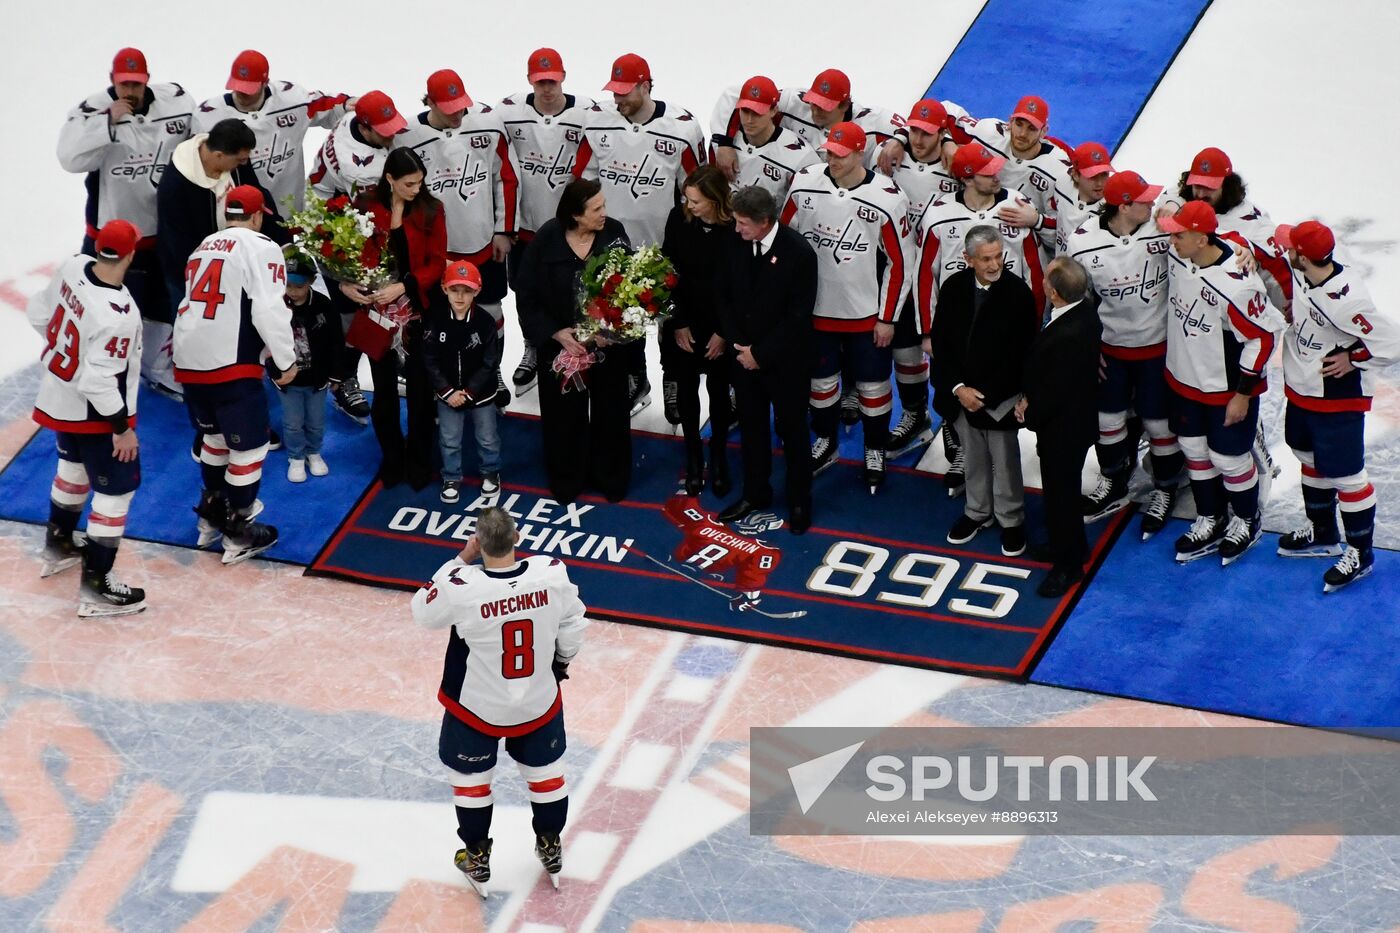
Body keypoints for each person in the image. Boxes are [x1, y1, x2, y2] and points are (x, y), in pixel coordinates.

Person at [410, 506, 587, 895]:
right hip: (537, 701)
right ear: (517, 539)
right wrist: (560, 664)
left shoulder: (462, 584)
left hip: (477, 707)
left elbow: (422, 613)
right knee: (546, 776)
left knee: (472, 782)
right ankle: (550, 843)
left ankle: (476, 855)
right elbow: (574, 624)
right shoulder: (551, 573)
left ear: (479, 542)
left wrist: (461, 557)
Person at [574, 52, 707, 416]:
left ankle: (673, 380)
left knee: (669, 321)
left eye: (626, 93)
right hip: (613, 246)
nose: (618, 100)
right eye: (614, 92)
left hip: (664, 246)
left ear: (646, 85)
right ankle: (637, 377)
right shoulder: (597, 121)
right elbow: (582, 179)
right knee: (620, 319)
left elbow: (696, 188)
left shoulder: (682, 126)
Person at [26, 220, 148, 617]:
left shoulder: (73, 265)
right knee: (116, 494)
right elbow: (98, 382)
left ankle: (58, 544)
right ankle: (97, 586)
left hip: (59, 397)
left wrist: (66, 365)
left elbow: (38, 312)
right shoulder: (119, 313)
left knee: (72, 470)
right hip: (96, 414)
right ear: (131, 254)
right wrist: (122, 429)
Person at [781, 123, 911, 493]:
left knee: (873, 386)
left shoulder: (886, 197)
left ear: (859, 154)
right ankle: (825, 441)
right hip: (814, 312)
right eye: (828, 152)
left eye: (839, 154)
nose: (830, 159)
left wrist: (888, 318)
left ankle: (874, 448)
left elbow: (902, 263)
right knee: (820, 384)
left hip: (865, 316)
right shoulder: (804, 183)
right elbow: (784, 238)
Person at [58, 48, 192, 398]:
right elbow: (69, 159)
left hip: (161, 231)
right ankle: (96, 372)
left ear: (147, 79)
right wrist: (107, 123)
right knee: (104, 308)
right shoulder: (91, 110)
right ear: (111, 81)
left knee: (163, 304)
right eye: (123, 84)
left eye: (136, 83)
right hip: (113, 235)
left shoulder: (176, 101)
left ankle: (158, 368)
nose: (130, 91)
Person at [1274, 220, 1399, 591]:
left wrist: (1353, 356)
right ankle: (1323, 531)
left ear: (1302, 255)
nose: (1286, 250)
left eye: (1291, 247)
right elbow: (1272, 247)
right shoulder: (1307, 268)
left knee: (1347, 476)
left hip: (1335, 398)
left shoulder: (1347, 301)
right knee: (1306, 453)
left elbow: (1392, 342)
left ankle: (1360, 553)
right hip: (1301, 386)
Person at [173, 186, 296, 564]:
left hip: (188, 357)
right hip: (230, 360)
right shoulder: (261, 246)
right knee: (251, 447)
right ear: (258, 216)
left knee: (214, 437)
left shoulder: (204, 245)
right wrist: (285, 359)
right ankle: (239, 528)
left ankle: (211, 513)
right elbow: (268, 308)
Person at [914, 142, 1044, 497]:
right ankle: (960, 453)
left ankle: (999, 481)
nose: (997, 175)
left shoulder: (1016, 206)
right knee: (952, 391)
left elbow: (1034, 270)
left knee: (1000, 390)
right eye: (988, 172)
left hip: (1006, 326)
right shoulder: (939, 213)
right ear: (968, 177)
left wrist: (1034, 329)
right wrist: (927, 331)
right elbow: (925, 274)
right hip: (956, 325)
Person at [1160, 201, 1285, 565]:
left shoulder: (1238, 284)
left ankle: (1247, 519)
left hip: (1224, 389)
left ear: (1201, 238)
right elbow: (1228, 236)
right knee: (1195, 452)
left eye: (1179, 234)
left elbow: (1262, 338)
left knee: (1228, 460)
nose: (1172, 239)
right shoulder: (1183, 254)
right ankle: (1210, 516)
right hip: (1184, 381)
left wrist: (1243, 395)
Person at [1066, 170, 1181, 537]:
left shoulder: (1163, 229)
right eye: (1143, 199)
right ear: (1124, 205)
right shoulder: (1083, 242)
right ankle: (1114, 482)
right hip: (1112, 350)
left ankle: (1166, 489)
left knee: (1161, 426)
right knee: (1107, 422)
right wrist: (1086, 349)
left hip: (1158, 350)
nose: (1151, 202)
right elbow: (1077, 303)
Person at [399, 69, 522, 410]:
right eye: (448, 106)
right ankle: (438, 379)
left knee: (491, 308)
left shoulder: (488, 123)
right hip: (435, 251)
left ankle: (491, 370)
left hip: (483, 242)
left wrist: (502, 229)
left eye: (461, 104)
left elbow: (506, 178)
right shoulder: (407, 134)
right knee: (436, 317)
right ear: (430, 102)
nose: (457, 112)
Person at [516, 178, 633, 502]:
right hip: (561, 348)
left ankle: (611, 477)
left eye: (604, 206)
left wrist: (612, 328)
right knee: (562, 416)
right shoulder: (546, 239)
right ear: (575, 214)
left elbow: (633, 287)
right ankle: (567, 478)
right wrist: (555, 332)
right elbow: (526, 296)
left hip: (606, 345)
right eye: (596, 209)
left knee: (611, 411)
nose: (604, 214)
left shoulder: (615, 234)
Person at [928, 225, 1039, 557]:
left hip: (999, 397)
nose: (994, 265)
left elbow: (1022, 354)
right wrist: (959, 388)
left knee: (1005, 461)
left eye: (998, 257)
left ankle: (1011, 519)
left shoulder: (1018, 294)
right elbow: (942, 343)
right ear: (967, 258)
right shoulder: (953, 288)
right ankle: (977, 512)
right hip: (961, 394)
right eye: (986, 259)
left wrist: (984, 394)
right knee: (973, 456)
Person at [714, 186, 819, 534]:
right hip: (742, 357)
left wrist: (759, 354)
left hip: (785, 361)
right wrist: (740, 347)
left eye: (743, 223)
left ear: (764, 222)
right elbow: (724, 297)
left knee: (792, 431)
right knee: (752, 429)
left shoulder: (799, 253)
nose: (737, 229)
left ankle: (799, 500)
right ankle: (755, 493)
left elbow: (798, 316)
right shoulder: (733, 243)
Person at [498, 48, 599, 393]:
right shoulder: (509, 110)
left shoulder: (586, 112)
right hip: (527, 227)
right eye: (540, 82)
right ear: (530, 80)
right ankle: (532, 346)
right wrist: (504, 225)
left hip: (570, 229)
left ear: (563, 77)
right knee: (526, 292)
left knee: (577, 293)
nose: (547, 88)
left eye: (553, 80)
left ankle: (584, 352)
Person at [347, 148, 448, 489]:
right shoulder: (366, 206)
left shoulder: (433, 209)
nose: (416, 189)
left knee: (421, 391)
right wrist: (350, 283)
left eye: (420, 182)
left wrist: (403, 286)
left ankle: (420, 461)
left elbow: (436, 262)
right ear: (389, 179)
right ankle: (392, 457)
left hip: (419, 311)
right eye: (409, 183)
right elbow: (349, 252)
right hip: (377, 312)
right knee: (384, 390)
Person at [310, 90, 408, 423]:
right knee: (351, 317)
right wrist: (338, 270)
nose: (392, 132)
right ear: (365, 128)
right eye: (384, 128)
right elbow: (325, 198)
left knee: (392, 307)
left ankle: (391, 352)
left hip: (374, 230)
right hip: (353, 240)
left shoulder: (351, 122)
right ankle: (344, 380)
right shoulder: (354, 163)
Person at [1016, 257, 1102, 597]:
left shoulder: (1066, 333)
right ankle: (1073, 548)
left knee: (1061, 498)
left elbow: (1055, 389)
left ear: (1053, 293)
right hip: (1074, 424)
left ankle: (1068, 567)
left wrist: (1028, 411)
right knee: (1061, 494)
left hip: (1063, 430)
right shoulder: (1085, 312)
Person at [887, 99, 960, 455]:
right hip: (900, 273)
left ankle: (953, 426)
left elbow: (965, 119)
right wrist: (898, 136)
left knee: (948, 356)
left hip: (941, 276)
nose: (918, 138)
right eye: (913, 130)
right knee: (904, 351)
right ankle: (916, 415)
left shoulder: (955, 164)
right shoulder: (890, 158)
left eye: (927, 133)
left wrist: (948, 140)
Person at [192, 49, 351, 213]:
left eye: (249, 88)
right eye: (237, 86)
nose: (242, 93)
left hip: (288, 211)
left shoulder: (292, 99)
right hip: (237, 216)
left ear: (265, 82)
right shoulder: (207, 117)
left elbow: (327, 106)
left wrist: (350, 104)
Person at [661, 166, 737, 495]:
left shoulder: (737, 228)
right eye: (687, 199)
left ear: (715, 201)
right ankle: (693, 454)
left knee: (720, 396)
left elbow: (743, 285)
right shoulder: (678, 219)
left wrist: (725, 332)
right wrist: (677, 322)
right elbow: (665, 270)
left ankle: (718, 454)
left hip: (722, 326)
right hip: (685, 321)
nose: (689, 206)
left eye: (695, 201)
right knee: (687, 392)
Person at [710, 68, 906, 179]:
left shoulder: (872, 122)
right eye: (814, 102)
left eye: (824, 106)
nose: (815, 110)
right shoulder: (794, 102)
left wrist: (899, 140)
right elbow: (736, 94)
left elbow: (916, 126)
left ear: (845, 104)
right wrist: (724, 143)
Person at [941, 94, 1069, 253]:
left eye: (1031, 128)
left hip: (1022, 244)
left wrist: (1037, 220)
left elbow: (1065, 231)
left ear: (1044, 131)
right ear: (1010, 121)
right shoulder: (989, 133)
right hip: (973, 225)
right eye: (1019, 124)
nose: (1022, 133)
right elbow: (943, 109)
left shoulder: (1059, 169)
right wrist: (947, 141)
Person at [423, 261, 503, 504]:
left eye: (467, 290)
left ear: (477, 291)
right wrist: (447, 392)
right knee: (449, 438)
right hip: (447, 396)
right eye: (455, 289)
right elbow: (429, 358)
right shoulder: (434, 319)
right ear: (444, 288)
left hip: (481, 395)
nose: (460, 296)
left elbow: (490, 362)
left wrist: (469, 392)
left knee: (487, 437)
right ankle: (451, 476)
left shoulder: (486, 322)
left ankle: (490, 471)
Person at [278, 255, 342, 482]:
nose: (293, 291)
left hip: (318, 378)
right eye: (288, 285)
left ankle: (313, 452)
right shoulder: (275, 304)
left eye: (299, 286)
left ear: (312, 281)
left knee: (316, 421)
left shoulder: (324, 305)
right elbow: (266, 342)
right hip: (288, 380)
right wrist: (274, 372)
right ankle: (296, 457)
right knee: (293, 422)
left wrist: (336, 374)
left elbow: (336, 341)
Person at [705, 75, 820, 200]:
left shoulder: (801, 156)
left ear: (774, 111)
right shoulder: (720, 145)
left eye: (757, 113)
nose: (749, 120)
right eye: (745, 111)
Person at [1048, 142, 1113, 257]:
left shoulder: (1114, 209)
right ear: (1075, 175)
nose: (1100, 183)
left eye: (1104, 174)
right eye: (1092, 176)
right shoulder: (1062, 182)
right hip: (1059, 263)